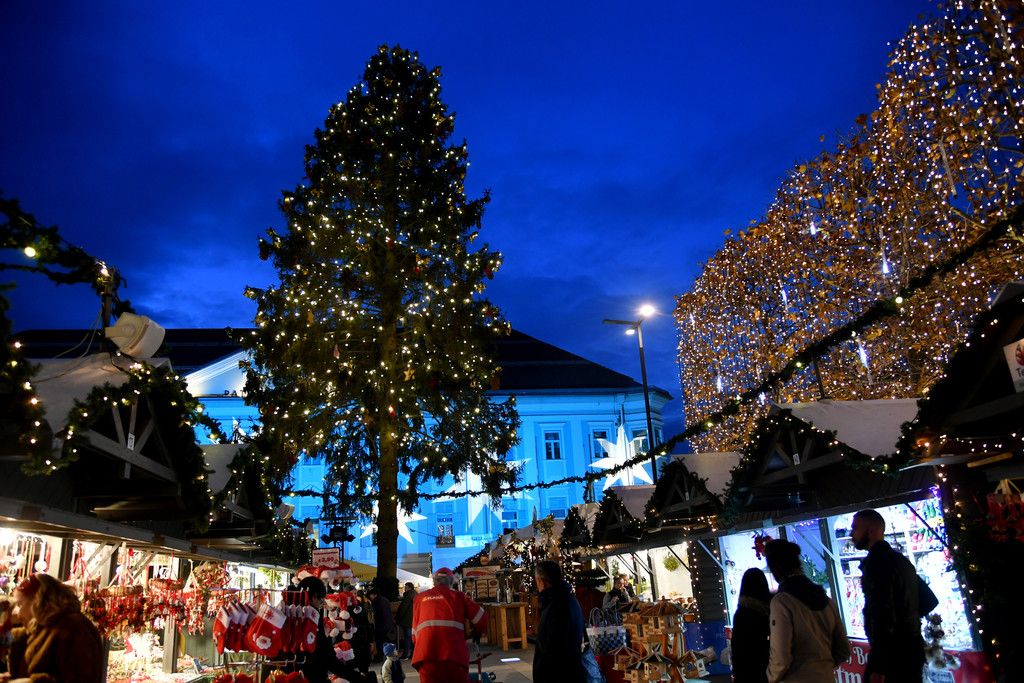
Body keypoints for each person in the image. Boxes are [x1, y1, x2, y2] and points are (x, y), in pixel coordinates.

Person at [852, 509, 925, 683]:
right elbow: (924, 600)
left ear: (871, 530)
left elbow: (882, 614)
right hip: (911, 648)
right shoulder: (900, 560)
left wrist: (879, 665)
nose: (851, 534)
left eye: (855, 528)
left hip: (894, 655)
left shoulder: (877, 564)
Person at [764, 540, 849, 683]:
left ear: (775, 568)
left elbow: (781, 658)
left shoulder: (782, 602)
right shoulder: (826, 600)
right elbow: (843, 649)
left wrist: (770, 677)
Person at [3, 573, 104, 683]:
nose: (17, 613)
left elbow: (81, 678)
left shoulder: (74, 628)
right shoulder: (39, 630)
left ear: (37, 601)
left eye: (20, 604)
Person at [412, 567, 487, 683]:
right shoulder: (458, 597)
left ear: (434, 581)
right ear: (451, 582)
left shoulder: (419, 598)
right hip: (453, 655)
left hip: (426, 655)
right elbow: (481, 618)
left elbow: (414, 634)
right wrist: (476, 632)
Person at [291, 576, 362, 683]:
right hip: (312, 675)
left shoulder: (289, 613)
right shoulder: (313, 616)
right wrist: (356, 677)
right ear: (314, 597)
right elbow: (326, 653)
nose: (322, 603)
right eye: (321, 599)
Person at [534, 560, 586, 683]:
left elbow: (552, 648)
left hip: (558, 675)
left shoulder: (555, 606)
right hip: (571, 670)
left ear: (541, 581)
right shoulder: (568, 598)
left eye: (537, 581)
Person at [731, 568, 772, 683]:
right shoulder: (770, 611)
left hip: (746, 671)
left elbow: (737, 648)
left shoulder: (741, 613)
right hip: (769, 669)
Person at [367, 584, 396, 662]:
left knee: (379, 642)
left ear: (375, 595)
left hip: (380, 625)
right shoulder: (385, 600)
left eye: (371, 595)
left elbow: (375, 613)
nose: (370, 597)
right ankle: (388, 656)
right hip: (388, 624)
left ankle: (379, 657)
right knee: (386, 641)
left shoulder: (376, 602)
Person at [394, 582, 416, 660]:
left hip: (407, 620)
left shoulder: (409, 595)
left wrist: (397, 618)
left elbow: (403, 608)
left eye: (406, 587)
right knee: (411, 637)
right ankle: (413, 653)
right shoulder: (415, 594)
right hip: (412, 619)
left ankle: (406, 654)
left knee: (407, 638)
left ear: (409, 587)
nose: (404, 588)